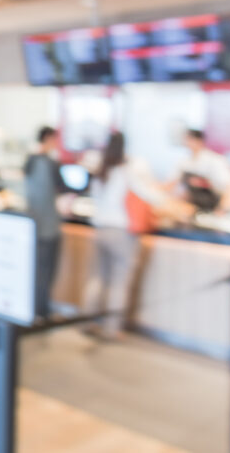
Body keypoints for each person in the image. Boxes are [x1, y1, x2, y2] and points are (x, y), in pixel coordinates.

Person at [84, 131, 143, 340]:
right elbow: (149, 195)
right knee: (119, 282)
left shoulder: (101, 171)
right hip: (120, 231)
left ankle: (88, 321)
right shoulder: (125, 172)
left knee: (97, 278)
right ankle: (112, 329)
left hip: (100, 229)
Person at [23, 126, 65, 317]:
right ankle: (42, 310)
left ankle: (33, 307)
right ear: (48, 138)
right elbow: (63, 190)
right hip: (48, 225)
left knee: (35, 268)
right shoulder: (50, 163)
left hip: (33, 223)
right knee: (46, 270)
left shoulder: (30, 161)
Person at [168, 129, 230, 213]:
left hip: (214, 203)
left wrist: (223, 209)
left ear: (199, 141)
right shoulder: (184, 163)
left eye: (190, 139)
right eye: (186, 140)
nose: (187, 143)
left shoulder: (214, 160)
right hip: (194, 206)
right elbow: (171, 183)